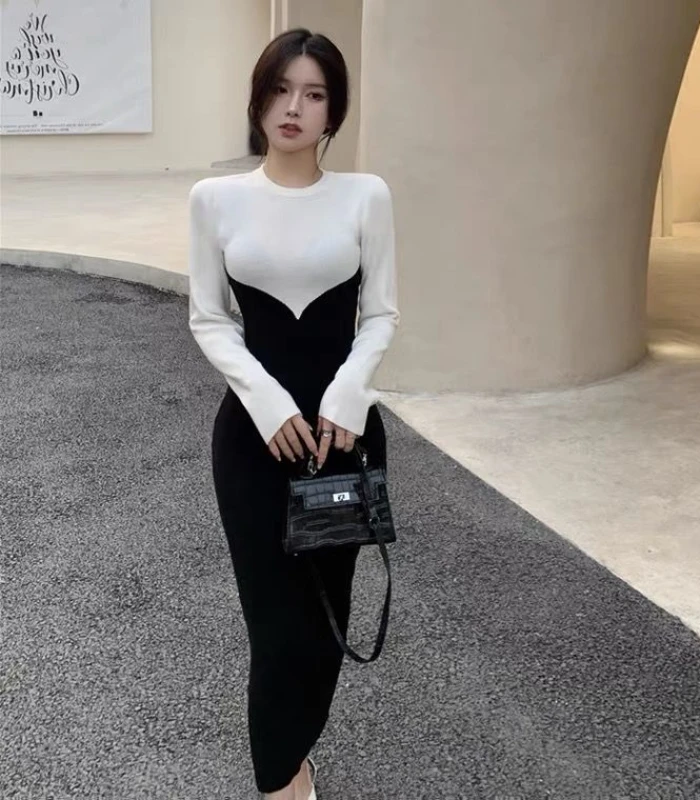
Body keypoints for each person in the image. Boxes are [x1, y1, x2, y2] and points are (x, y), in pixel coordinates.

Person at [186, 28, 399, 800]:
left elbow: (381, 315)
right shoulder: (215, 200)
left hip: (343, 445)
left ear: (333, 111)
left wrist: (346, 396)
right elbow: (210, 319)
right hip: (253, 447)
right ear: (258, 100)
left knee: (324, 627)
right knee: (275, 631)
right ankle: (282, 783)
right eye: (280, 90)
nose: (293, 107)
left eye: (313, 94)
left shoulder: (365, 196)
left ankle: (298, 751)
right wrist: (270, 403)